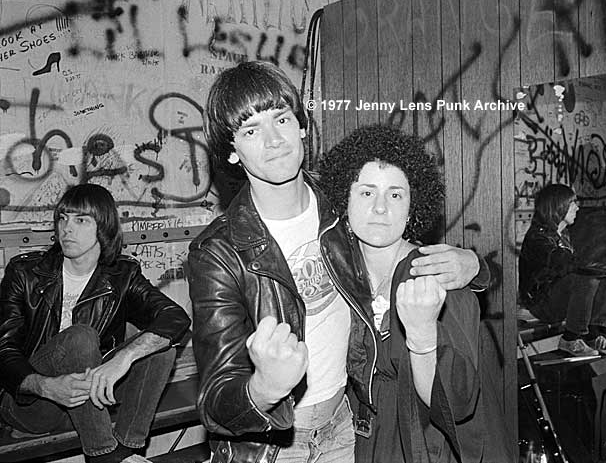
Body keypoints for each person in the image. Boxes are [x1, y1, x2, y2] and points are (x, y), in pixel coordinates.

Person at [188, 60, 489, 463]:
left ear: (301, 126)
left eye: (281, 119)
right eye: (250, 130)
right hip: (275, 447)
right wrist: (263, 387)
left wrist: (474, 264)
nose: (273, 140)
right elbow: (214, 403)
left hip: (345, 428)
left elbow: (392, 231)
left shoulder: (339, 203)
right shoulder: (218, 253)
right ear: (231, 152)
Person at [319, 124, 508, 463]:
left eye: (395, 194)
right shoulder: (336, 273)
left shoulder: (437, 273)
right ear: (343, 201)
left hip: (424, 445)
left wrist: (422, 335)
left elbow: (456, 402)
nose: (380, 208)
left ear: (412, 207)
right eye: (366, 192)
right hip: (354, 442)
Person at [0, 184, 191, 463]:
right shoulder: (26, 272)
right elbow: (3, 351)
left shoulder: (121, 275)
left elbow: (175, 318)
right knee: (80, 337)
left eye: (80, 220)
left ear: (103, 227)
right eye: (62, 218)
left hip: (92, 399)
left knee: (161, 347)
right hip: (32, 404)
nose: (66, 228)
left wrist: (124, 358)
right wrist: (46, 386)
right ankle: (104, 456)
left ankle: (127, 449)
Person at [519, 183, 606, 356]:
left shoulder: (563, 235)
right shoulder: (539, 238)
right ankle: (570, 339)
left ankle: (594, 336)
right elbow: (574, 266)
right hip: (539, 306)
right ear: (558, 206)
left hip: (559, 299)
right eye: (572, 203)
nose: (577, 207)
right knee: (588, 275)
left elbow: (586, 268)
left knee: (604, 268)